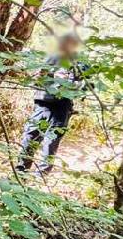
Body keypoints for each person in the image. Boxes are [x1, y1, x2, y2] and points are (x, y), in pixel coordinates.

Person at [17, 33, 86, 175]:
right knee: (31, 135)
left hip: (62, 105)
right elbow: (36, 75)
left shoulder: (79, 62)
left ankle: (41, 175)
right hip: (43, 103)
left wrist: (67, 83)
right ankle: (21, 171)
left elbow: (83, 84)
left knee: (51, 140)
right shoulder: (50, 56)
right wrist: (46, 77)